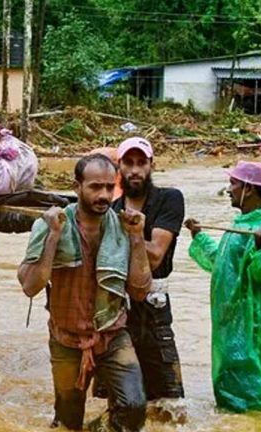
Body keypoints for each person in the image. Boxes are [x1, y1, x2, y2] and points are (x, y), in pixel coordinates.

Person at [17, 153, 152, 431]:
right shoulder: (50, 224)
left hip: (112, 333)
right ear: (76, 187)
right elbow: (30, 286)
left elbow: (139, 291)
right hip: (66, 338)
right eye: (94, 187)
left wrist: (138, 238)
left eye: (109, 187)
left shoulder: (123, 227)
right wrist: (54, 236)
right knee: (69, 421)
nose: (103, 195)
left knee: (135, 407)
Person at [185, 161, 261, 412]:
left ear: (249, 189)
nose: (229, 189)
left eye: (234, 183)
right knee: (233, 376)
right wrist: (198, 236)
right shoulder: (241, 224)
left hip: (255, 320)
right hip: (232, 321)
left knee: (253, 382)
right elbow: (222, 264)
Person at [93, 138, 186, 403]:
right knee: (117, 399)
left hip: (154, 306)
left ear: (151, 165)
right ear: (118, 167)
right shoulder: (111, 209)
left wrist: (131, 234)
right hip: (116, 308)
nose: (135, 170)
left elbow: (155, 256)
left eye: (141, 163)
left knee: (170, 402)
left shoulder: (169, 199)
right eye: (128, 163)